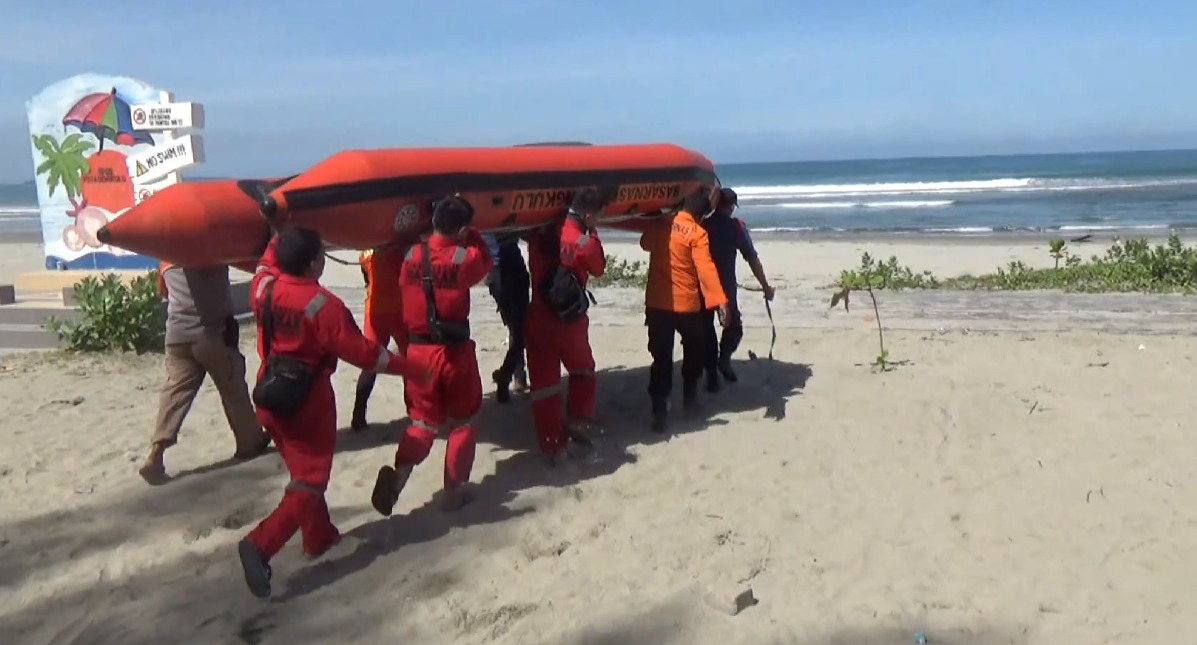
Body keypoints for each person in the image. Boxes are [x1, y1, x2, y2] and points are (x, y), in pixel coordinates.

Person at [237, 227, 422, 599]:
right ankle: (260, 545)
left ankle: (318, 537)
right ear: (312, 263)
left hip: (268, 392)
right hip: (306, 401)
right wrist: (414, 369)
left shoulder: (262, 287)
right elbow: (367, 355)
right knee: (311, 481)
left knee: (302, 471)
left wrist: (277, 223)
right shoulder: (323, 305)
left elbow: (265, 263)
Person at [371, 195, 493, 515]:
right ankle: (454, 490)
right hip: (453, 354)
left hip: (417, 353)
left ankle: (398, 478)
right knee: (464, 421)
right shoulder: (463, 259)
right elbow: (486, 259)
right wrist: (474, 232)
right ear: (462, 229)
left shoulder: (411, 254)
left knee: (422, 421)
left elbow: (404, 282)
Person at [139, 261, 270, 484]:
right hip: (212, 335)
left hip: (177, 337)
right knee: (233, 389)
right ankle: (249, 443)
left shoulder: (165, 260)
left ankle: (156, 453)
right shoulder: (208, 253)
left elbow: (164, 291)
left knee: (174, 396)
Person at [525, 188, 607, 464]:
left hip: (537, 316)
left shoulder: (540, 234)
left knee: (544, 385)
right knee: (584, 371)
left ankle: (553, 447)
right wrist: (592, 234)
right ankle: (576, 420)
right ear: (587, 215)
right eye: (598, 217)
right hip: (568, 320)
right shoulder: (583, 240)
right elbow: (598, 268)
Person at [639, 189, 729, 432]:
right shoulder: (697, 233)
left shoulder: (660, 225)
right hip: (687, 306)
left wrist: (656, 217)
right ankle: (689, 397)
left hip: (658, 305)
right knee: (694, 352)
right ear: (700, 215)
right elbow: (706, 269)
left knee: (661, 358)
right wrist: (720, 302)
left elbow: (644, 243)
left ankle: (660, 410)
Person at [700, 187, 774, 390]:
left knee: (707, 330)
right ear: (732, 207)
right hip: (725, 288)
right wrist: (765, 286)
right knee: (734, 328)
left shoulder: (702, 225)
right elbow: (752, 258)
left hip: (703, 286)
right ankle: (723, 360)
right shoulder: (736, 227)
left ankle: (712, 376)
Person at [350, 243, 408, 431]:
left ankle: (358, 416)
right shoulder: (399, 248)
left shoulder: (365, 254)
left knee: (370, 364)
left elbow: (367, 281)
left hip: (374, 313)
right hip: (399, 310)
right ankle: (415, 411)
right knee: (409, 362)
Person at [483, 232, 530, 402]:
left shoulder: (482, 217)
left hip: (495, 272)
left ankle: (518, 376)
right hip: (511, 267)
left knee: (516, 328)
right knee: (521, 329)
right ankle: (509, 374)